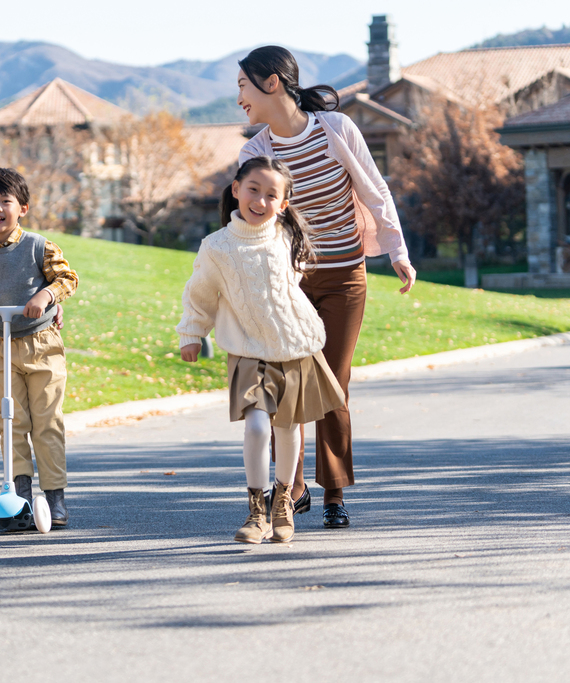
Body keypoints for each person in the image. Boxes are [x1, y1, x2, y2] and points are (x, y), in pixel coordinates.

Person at [236, 46, 417, 528]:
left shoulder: (336, 129)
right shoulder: (256, 153)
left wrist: (396, 250)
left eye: (243, 86)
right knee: (287, 382)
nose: (239, 99)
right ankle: (290, 487)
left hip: (344, 277)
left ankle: (334, 490)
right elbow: (249, 223)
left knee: (333, 383)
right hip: (288, 283)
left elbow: (374, 189)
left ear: (272, 83)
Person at [177, 156, 345, 545]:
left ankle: (283, 502)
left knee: (287, 429)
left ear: (283, 203)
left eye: (272, 195)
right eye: (253, 189)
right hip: (249, 352)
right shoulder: (216, 246)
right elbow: (199, 293)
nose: (261, 200)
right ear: (236, 189)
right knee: (257, 426)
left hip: (295, 347)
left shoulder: (287, 237)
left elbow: (294, 276)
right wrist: (191, 333)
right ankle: (257, 511)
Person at [0, 167, 79, 527]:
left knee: (46, 420)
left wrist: (47, 295)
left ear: (22, 207)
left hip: (42, 344)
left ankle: (54, 495)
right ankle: (19, 494)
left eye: (5, 201)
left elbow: (66, 278)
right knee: (11, 419)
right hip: (0, 343)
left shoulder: (40, 246)